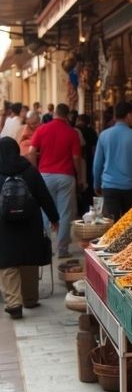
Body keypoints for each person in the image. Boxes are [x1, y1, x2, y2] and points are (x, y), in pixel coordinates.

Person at [0, 137, 59, 319]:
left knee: (7, 263)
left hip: (4, 225)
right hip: (30, 223)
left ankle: (14, 303)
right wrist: (54, 218)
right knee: (28, 260)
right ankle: (31, 299)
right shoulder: (30, 171)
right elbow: (44, 196)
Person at [28, 104, 85, 258]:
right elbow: (76, 158)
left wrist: (35, 171)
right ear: (67, 116)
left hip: (45, 175)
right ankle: (62, 249)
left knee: (45, 211)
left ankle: (45, 248)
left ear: (54, 114)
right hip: (65, 176)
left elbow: (31, 152)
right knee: (65, 212)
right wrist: (79, 177)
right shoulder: (71, 132)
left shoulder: (42, 129)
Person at [93, 101, 132, 220]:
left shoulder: (104, 135)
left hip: (109, 186)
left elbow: (97, 164)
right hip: (129, 188)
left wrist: (96, 183)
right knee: (129, 226)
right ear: (128, 115)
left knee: (112, 225)